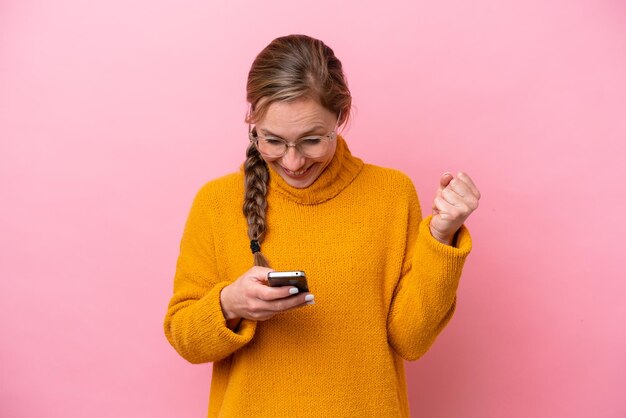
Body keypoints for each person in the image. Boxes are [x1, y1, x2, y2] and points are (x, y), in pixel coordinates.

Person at [163, 34, 480, 417]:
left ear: (341, 117)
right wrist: (229, 304)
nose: (293, 162)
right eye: (273, 141)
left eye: (312, 140)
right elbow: (185, 338)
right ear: (253, 124)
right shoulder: (216, 202)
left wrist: (440, 236)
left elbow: (410, 340)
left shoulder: (391, 194)